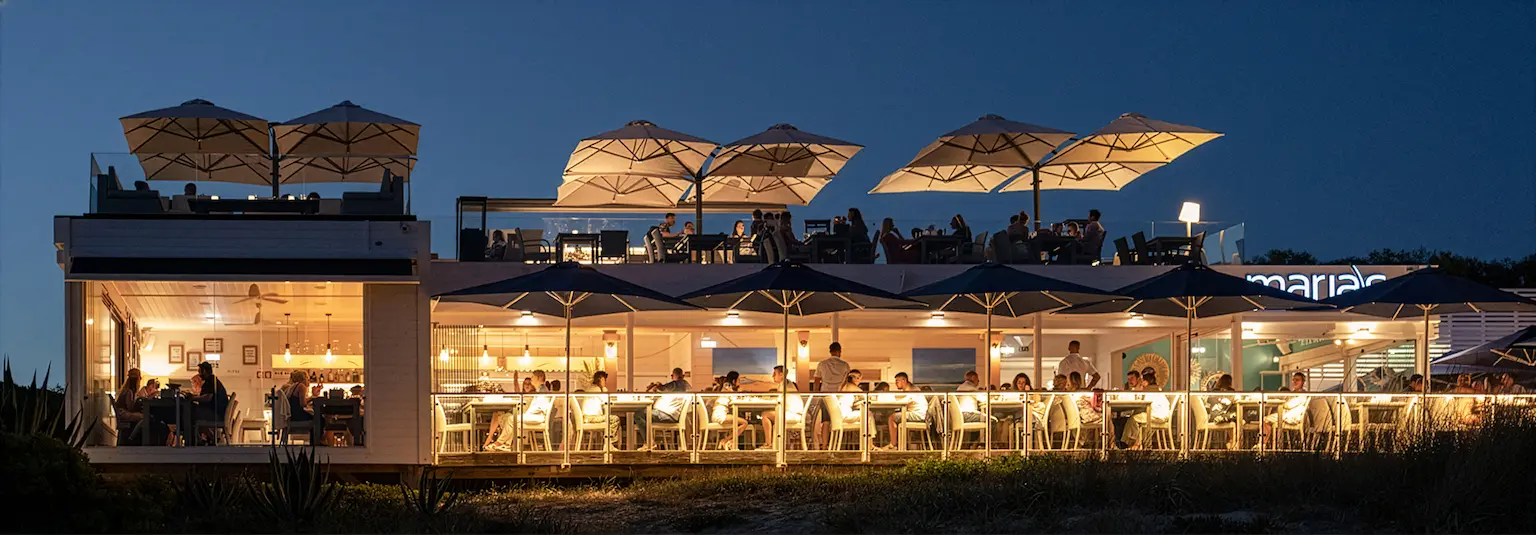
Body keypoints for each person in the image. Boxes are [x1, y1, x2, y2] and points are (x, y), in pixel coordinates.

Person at [810, 342, 851, 448]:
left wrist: (816, 394)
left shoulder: (822, 364)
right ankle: (837, 445)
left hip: (826, 395)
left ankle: (824, 445)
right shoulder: (845, 365)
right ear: (840, 351)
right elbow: (845, 382)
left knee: (826, 421)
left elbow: (817, 380)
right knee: (838, 421)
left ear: (830, 351)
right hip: (839, 396)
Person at [1121, 371, 1171, 450]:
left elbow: (1145, 402)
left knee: (1133, 419)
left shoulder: (1150, 390)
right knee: (1135, 417)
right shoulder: (1154, 389)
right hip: (1157, 414)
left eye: (1142, 380)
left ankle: (1133, 443)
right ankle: (1135, 443)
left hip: (1158, 416)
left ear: (1145, 381)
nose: (1141, 382)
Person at [758, 366, 805, 451]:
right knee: (766, 414)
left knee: (765, 415)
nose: (772, 376)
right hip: (790, 413)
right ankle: (771, 443)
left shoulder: (785, 385)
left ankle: (769, 444)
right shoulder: (785, 384)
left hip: (793, 414)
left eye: (774, 374)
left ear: (781, 375)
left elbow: (779, 401)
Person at [1259, 372, 1309, 449]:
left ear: (1303, 382)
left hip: (1291, 417)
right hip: (1287, 415)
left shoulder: (1301, 395)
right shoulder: (1293, 393)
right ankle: (1266, 444)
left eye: (1297, 380)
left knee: (1266, 420)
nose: (1294, 382)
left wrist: (1283, 403)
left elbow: (1288, 405)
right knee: (1267, 419)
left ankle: (1262, 444)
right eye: (1293, 380)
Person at [882, 372, 929, 450]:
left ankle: (893, 445)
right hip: (919, 414)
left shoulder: (911, 390)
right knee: (894, 416)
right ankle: (897, 444)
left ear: (904, 380)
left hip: (918, 415)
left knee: (892, 417)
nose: (896, 383)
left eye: (897, 381)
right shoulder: (911, 388)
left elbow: (904, 401)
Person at [578, 371, 620, 448]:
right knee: (615, 419)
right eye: (604, 380)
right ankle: (609, 444)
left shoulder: (590, 388)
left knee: (610, 419)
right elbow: (606, 400)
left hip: (587, 417)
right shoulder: (597, 389)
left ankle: (608, 443)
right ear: (601, 379)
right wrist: (604, 389)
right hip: (592, 417)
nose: (605, 382)